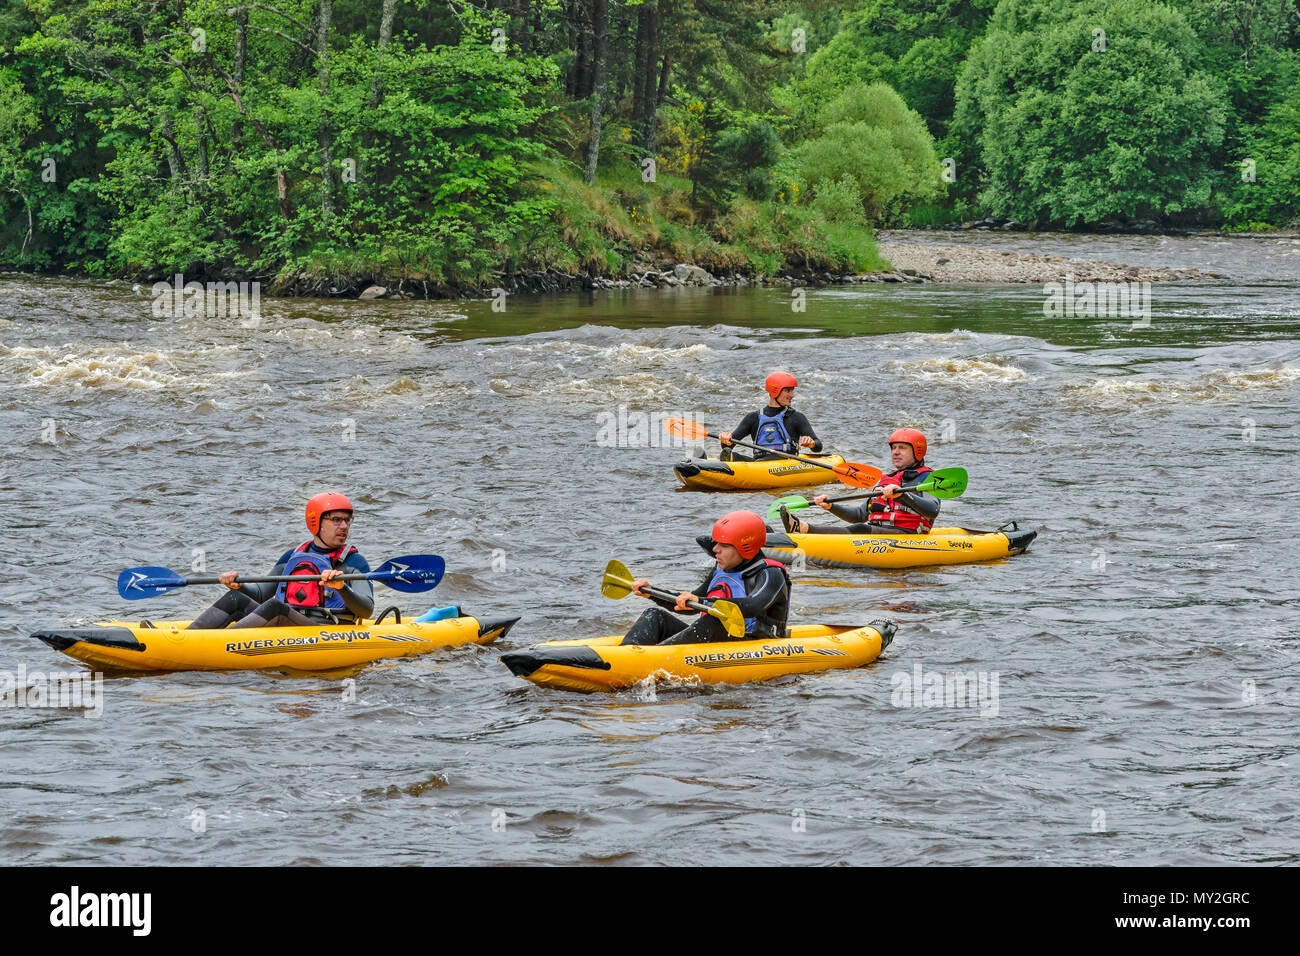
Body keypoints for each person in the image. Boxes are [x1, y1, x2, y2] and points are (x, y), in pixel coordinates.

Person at [185, 492, 375, 629]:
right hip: (290, 621)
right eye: (336, 520)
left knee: (275, 607)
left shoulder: (354, 562)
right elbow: (260, 595)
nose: (344, 526)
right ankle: (188, 639)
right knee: (237, 598)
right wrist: (238, 585)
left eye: (347, 520)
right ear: (316, 522)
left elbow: (366, 611)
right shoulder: (292, 556)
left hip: (329, 629)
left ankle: (217, 645)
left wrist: (342, 587)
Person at [619, 511, 791, 646]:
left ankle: (652, 659)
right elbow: (690, 605)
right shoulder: (721, 570)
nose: (715, 549)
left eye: (723, 545)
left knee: (714, 619)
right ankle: (627, 655)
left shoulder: (771, 573)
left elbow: (753, 606)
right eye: (716, 543)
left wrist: (703, 601)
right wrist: (652, 592)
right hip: (719, 639)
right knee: (654, 616)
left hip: (754, 644)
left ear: (745, 547)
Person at [779, 429, 939, 535]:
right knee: (861, 526)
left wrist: (902, 495)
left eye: (902, 448)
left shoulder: (926, 477)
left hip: (909, 535)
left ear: (917, 451)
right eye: (894, 448)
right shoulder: (885, 479)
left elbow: (933, 510)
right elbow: (860, 515)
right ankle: (799, 530)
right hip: (878, 531)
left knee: (861, 529)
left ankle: (805, 530)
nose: (896, 452)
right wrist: (831, 506)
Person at [717, 372, 823, 461]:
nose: (792, 395)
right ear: (774, 392)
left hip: (786, 465)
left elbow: (818, 446)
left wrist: (812, 443)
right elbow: (728, 447)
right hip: (760, 465)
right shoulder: (753, 417)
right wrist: (725, 439)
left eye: (792, 390)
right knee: (732, 456)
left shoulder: (796, 417)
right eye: (787, 391)